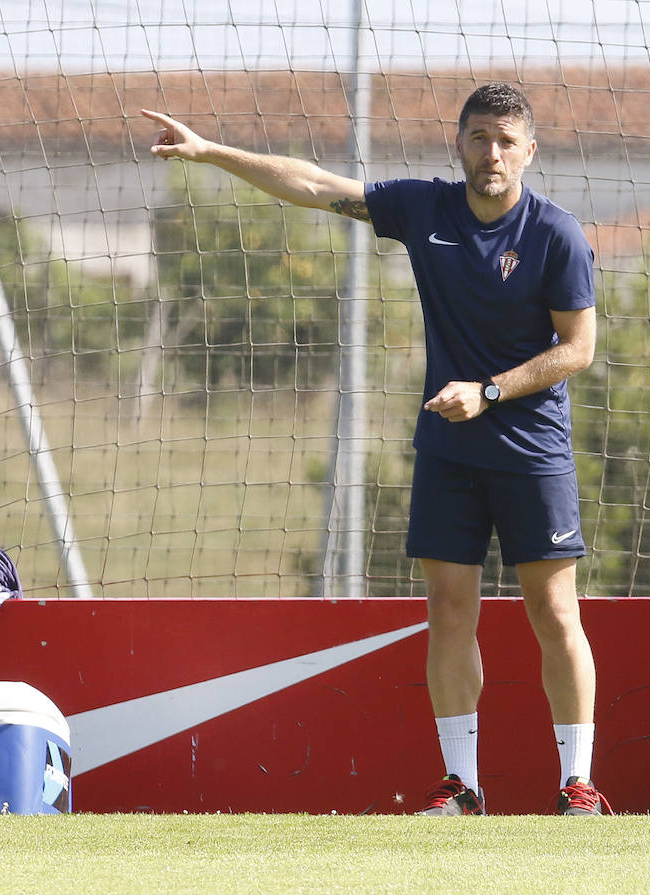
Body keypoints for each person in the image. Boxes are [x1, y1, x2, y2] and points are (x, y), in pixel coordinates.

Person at [142, 81, 609, 815]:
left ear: (529, 152)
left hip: (531, 451)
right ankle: (464, 787)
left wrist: (489, 390)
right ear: (459, 143)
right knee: (450, 611)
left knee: (554, 613)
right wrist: (206, 152)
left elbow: (578, 348)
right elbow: (315, 183)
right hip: (449, 449)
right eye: (480, 137)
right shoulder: (425, 208)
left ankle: (577, 786)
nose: (493, 153)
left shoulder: (556, 234)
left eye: (507, 141)